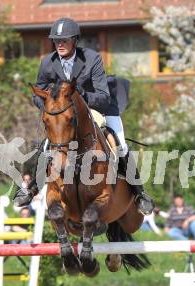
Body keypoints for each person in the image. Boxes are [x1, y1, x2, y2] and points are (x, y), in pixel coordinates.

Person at [13, 17, 154, 215]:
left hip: (97, 109)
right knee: (46, 146)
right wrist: (49, 105)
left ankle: (139, 193)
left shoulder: (91, 58)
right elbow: (37, 95)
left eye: (64, 40)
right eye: (56, 40)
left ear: (75, 40)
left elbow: (103, 97)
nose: (60, 44)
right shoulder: (47, 62)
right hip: (64, 116)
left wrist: (80, 96)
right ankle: (32, 189)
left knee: (120, 143)